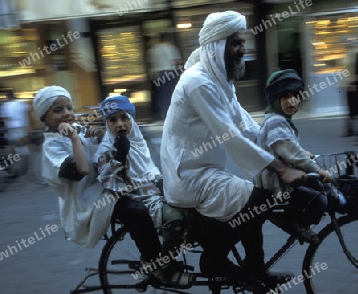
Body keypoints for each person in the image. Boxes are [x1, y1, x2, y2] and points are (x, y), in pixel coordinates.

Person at [160, 10, 306, 288]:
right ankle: (215, 258)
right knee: (259, 198)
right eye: (237, 43)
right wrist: (282, 168)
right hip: (188, 177)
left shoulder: (219, 79)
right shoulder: (198, 82)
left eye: (243, 42)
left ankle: (255, 269)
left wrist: (287, 151)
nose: (243, 49)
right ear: (217, 45)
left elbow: (245, 123)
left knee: (255, 198)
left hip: (204, 169)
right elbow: (230, 136)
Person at [95, 95, 194, 287]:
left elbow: (150, 170)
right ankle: (166, 270)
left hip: (154, 192)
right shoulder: (107, 149)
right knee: (175, 219)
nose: (120, 124)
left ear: (131, 119)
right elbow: (107, 179)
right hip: (139, 200)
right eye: (112, 120)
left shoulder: (138, 139)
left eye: (124, 117)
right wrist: (118, 157)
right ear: (107, 124)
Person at [254, 69, 333, 243]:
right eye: (285, 97)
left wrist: (303, 152)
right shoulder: (276, 121)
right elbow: (294, 155)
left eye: (295, 96)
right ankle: (298, 225)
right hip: (274, 183)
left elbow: (286, 148)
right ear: (275, 100)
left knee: (313, 187)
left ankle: (292, 218)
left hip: (277, 178)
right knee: (319, 200)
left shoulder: (278, 119)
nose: (292, 101)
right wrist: (320, 171)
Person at [33, 85, 114, 248]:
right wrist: (74, 138)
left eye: (69, 108)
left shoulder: (76, 130)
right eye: (58, 110)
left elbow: (104, 148)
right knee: (137, 213)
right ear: (44, 118)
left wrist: (100, 135)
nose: (67, 114)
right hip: (87, 203)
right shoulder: (51, 145)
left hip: (102, 190)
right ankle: (153, 262)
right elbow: (81, 169)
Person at [149, 32, 182, 121]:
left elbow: (152, 63)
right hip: (170, 73)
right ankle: (171, 115)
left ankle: (161, 116)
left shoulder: (153, 49)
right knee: (169, 94)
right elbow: (177, 61)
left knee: (160, 95)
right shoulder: (171, 47)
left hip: (158, 74)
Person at [0, 88, 30, 176]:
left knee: (13, 149)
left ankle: (13, 169)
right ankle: (20, 167)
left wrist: (6, 131)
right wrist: (28, 129)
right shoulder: (22, 103)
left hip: (12, 129)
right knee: (22, 149)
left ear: (7, 96)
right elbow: (28, 115)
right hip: (23, 128)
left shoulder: (5, 106)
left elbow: (6, 119)